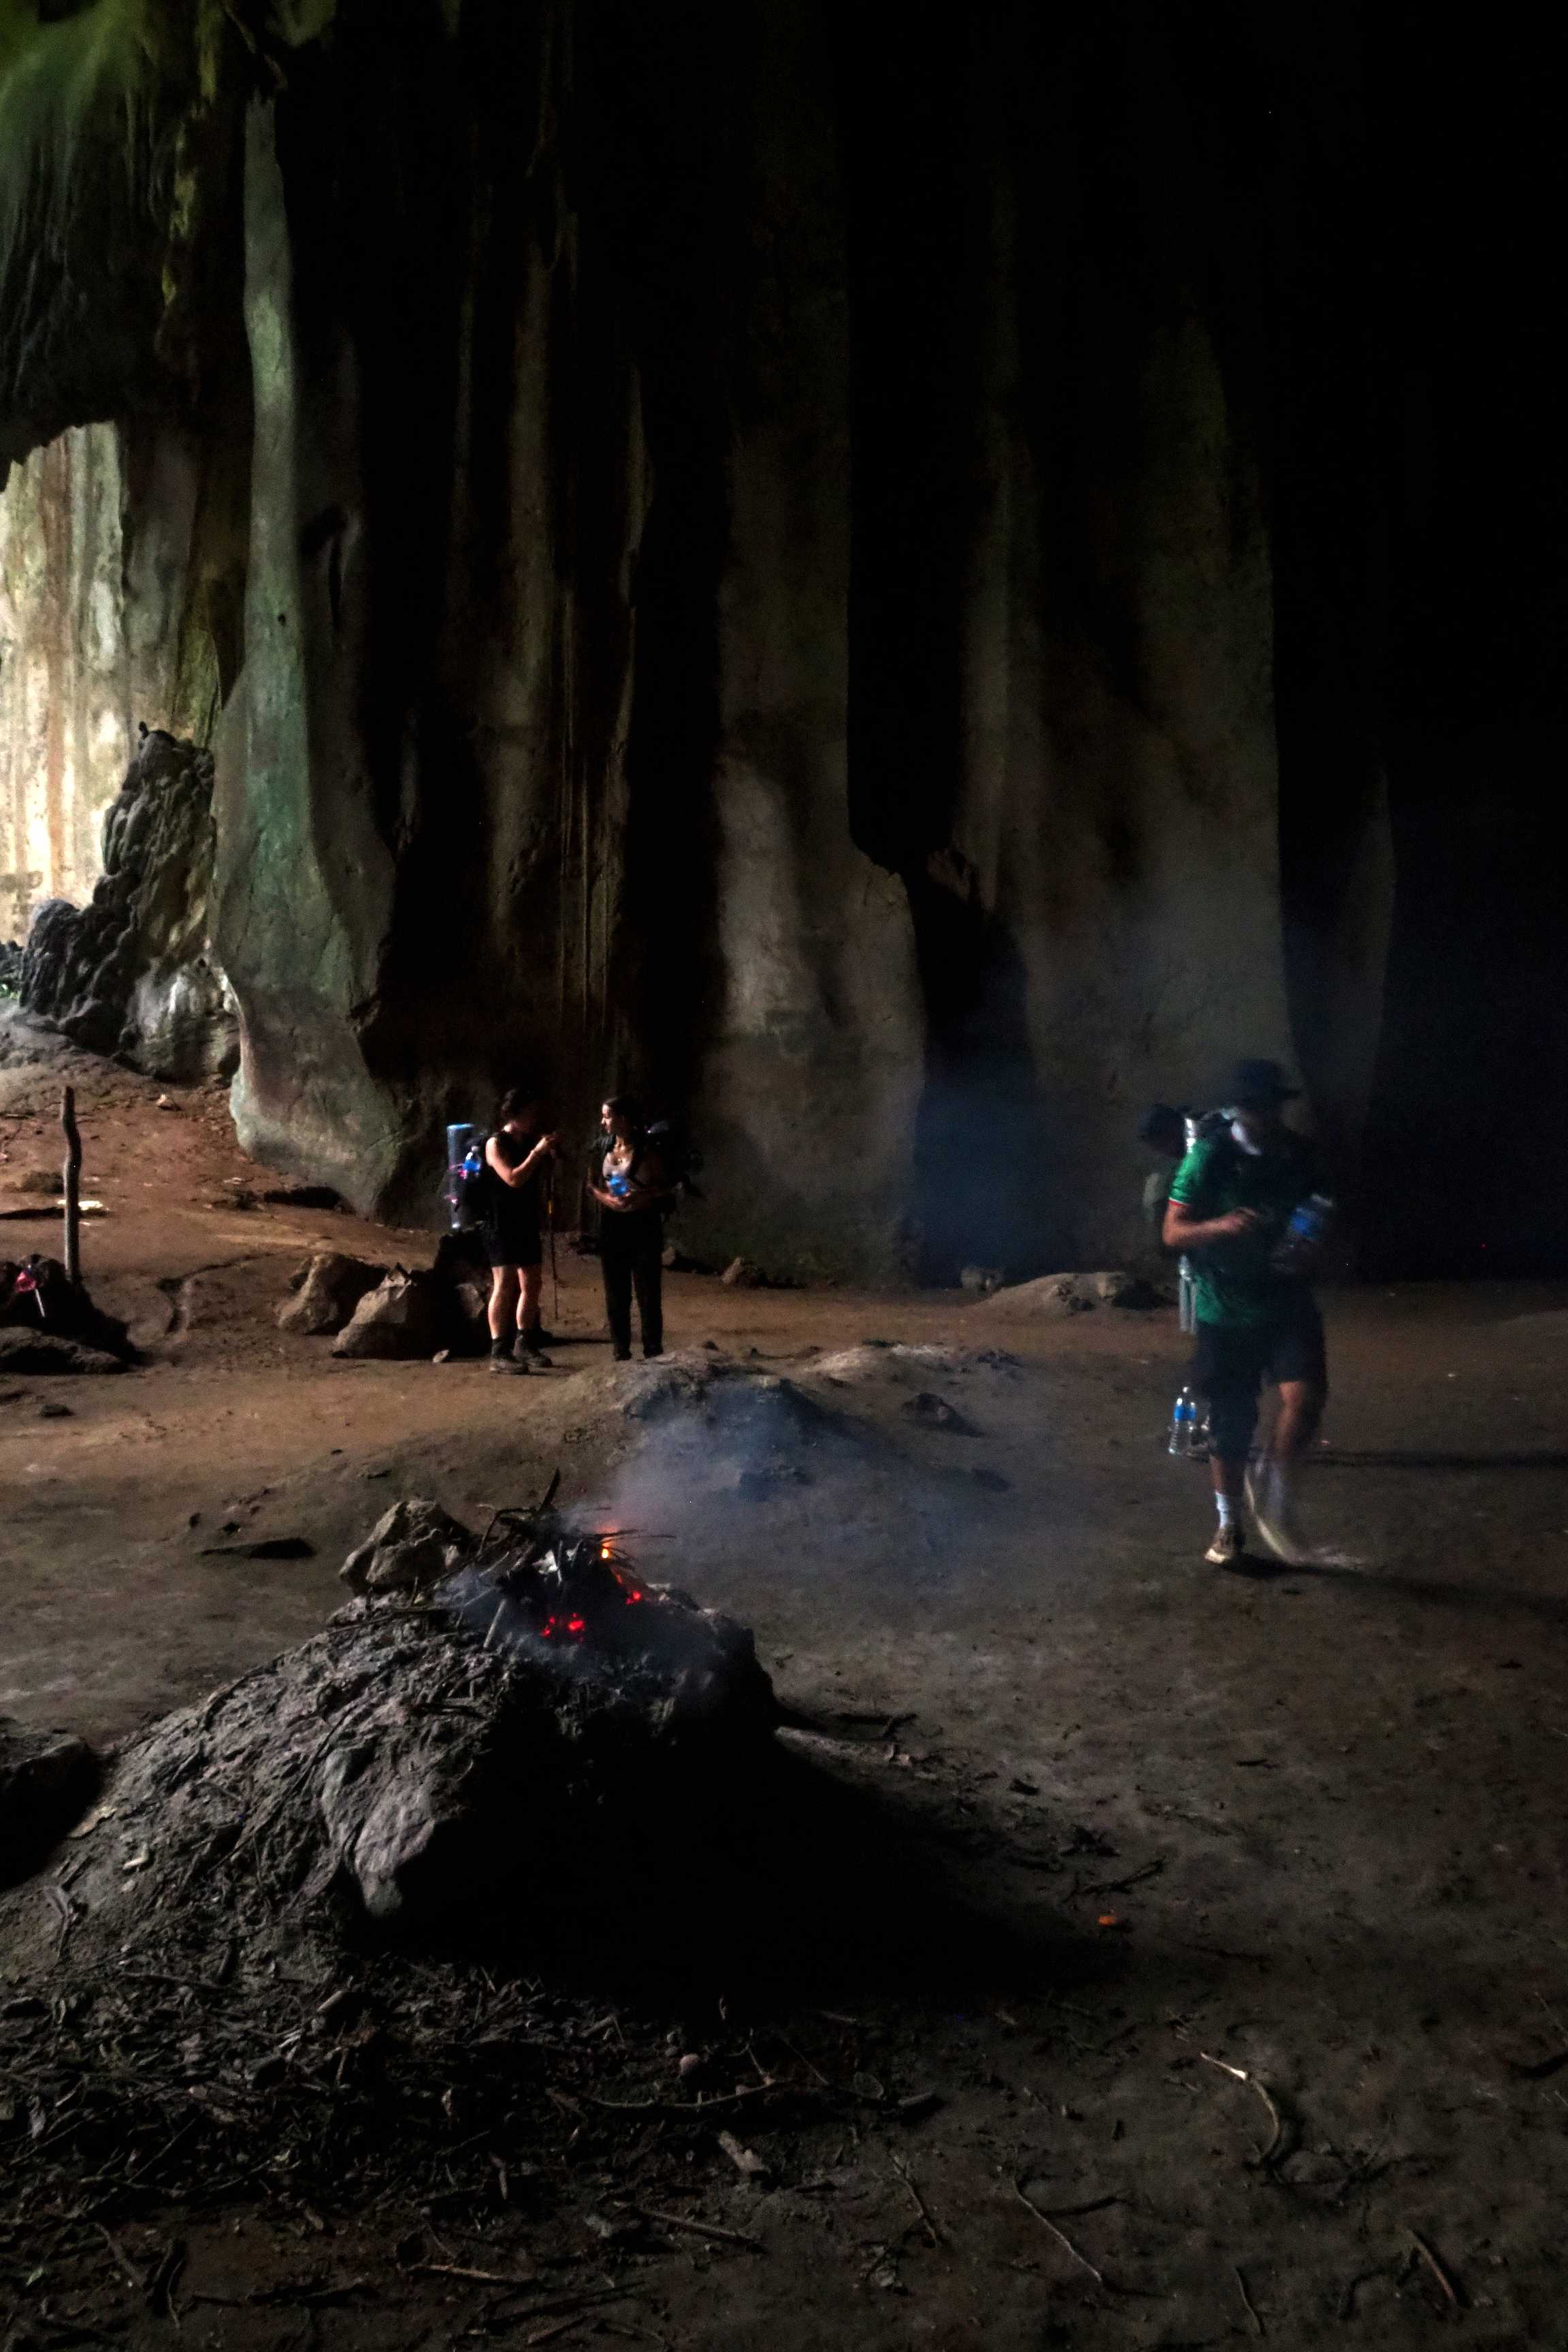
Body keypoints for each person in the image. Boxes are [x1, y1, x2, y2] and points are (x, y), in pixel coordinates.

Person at [1162, 1060, 1329, 1566]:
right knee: (1232, 1422)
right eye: (1258, 1108)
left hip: (1286, 1295)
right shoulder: (1210, 1158)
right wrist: (1223, 1226)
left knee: (1306, 1399)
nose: (1268, 1116)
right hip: (1226, 1304)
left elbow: (1319, 1211)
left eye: (1274, 1106)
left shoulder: (1298, 1154)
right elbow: (1173, 1233)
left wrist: (1308, 1244)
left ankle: (1274, 1486)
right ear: (1239, 1110)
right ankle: (1229, 1523)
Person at [480, 1087, 559, 1373]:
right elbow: (513, 1178)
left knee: (532, 1282)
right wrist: (537, 1154)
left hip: (525, 1220)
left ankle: (524, 1342)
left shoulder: (528, 1141)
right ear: (515, 1113)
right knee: (504, 1284)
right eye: (530, 1113)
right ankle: (499, 1350)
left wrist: (548, 1155)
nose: (535, 1118)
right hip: (500, 1222)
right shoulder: (495, 1144)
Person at [589, 1096, 665, 1362]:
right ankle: (620, 1350)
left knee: (647, 1290)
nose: (603, 1122)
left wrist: (641, 1196)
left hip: (643, 1223)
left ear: (623, 1119)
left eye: (607, 1116)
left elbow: (664, 1186)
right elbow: (592, 1184)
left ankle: (653, 1350)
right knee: (615, 1291)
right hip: (613, 1224)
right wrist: (607, 1199)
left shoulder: (648, 1150)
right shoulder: (603, 1147)